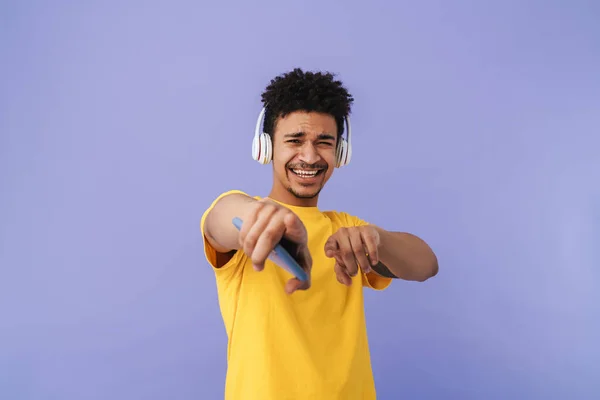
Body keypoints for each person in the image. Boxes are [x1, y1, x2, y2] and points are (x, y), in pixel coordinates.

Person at [200, 68, 438, 399]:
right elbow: (221, 219)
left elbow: (426, 264)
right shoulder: (242, 216)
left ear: (341, 152)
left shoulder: (348, 230)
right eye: (295, 140)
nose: (310, 156)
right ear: (265, 146)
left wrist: (377, 242)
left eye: (323, 142)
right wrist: (259, 219)